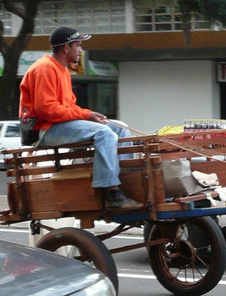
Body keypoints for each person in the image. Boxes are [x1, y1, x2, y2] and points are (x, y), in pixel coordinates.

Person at [19, 26, 142, 211]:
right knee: (105, 133)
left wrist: (89, 115)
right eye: (78, 45)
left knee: (120, 129)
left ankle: (131, 182)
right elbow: (47, 110)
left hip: (56, 124)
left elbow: (68, 107)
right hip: (42, 130)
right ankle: (112, 192)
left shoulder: (62, 70)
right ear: (66, 48)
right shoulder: (45, 69)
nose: (81, 50)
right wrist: (86, 115)